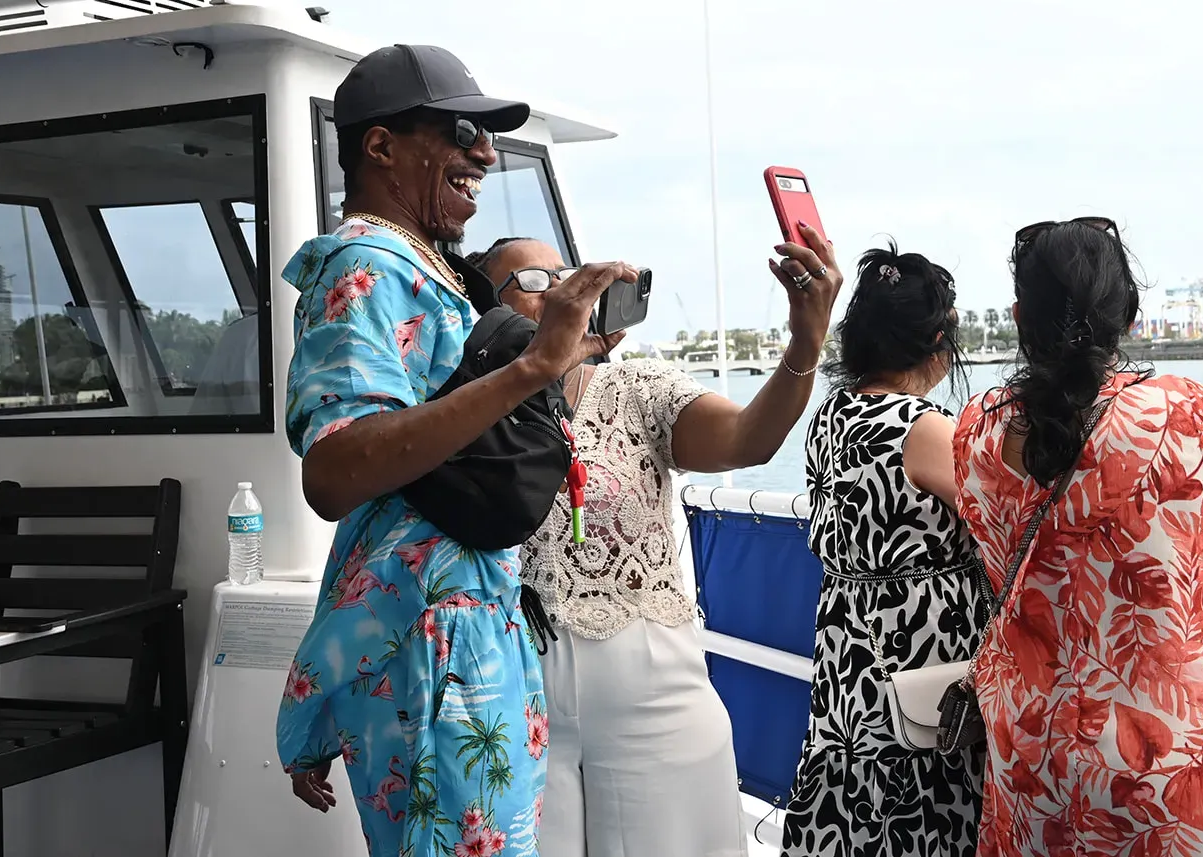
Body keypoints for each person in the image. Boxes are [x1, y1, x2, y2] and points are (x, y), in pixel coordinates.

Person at [276, 44, 637, 857]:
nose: (484, 152)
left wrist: (562, 359)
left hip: (466, 637)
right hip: (435, 653)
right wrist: (534, 365)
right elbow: (334, 470)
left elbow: (455, 450)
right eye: (462, 130)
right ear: (381, 148)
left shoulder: (429, 272)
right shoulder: (366, 267)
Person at [952, 217, 1203, 857]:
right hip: (1168, 757)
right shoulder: (1187, 412)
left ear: (1019, 317)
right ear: (1128, 313)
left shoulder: (976, 427)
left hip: (1029, 744)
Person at [471, 228, 842, 857]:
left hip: (655, 692)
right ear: (489, 311)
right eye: (533, 282)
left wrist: (805, 342)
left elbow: (748, 438)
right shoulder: (466, 406)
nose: (561, 290)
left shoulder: (640, 390)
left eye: (564, 273)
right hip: (514, 697)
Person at [781, 244, 985, 857]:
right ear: (939, 341)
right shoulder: (925, 428)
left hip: (849, 648)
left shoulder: (831, 414)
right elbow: (1007, 515)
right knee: (925, 806)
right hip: (921, 650)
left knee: (855, 803)